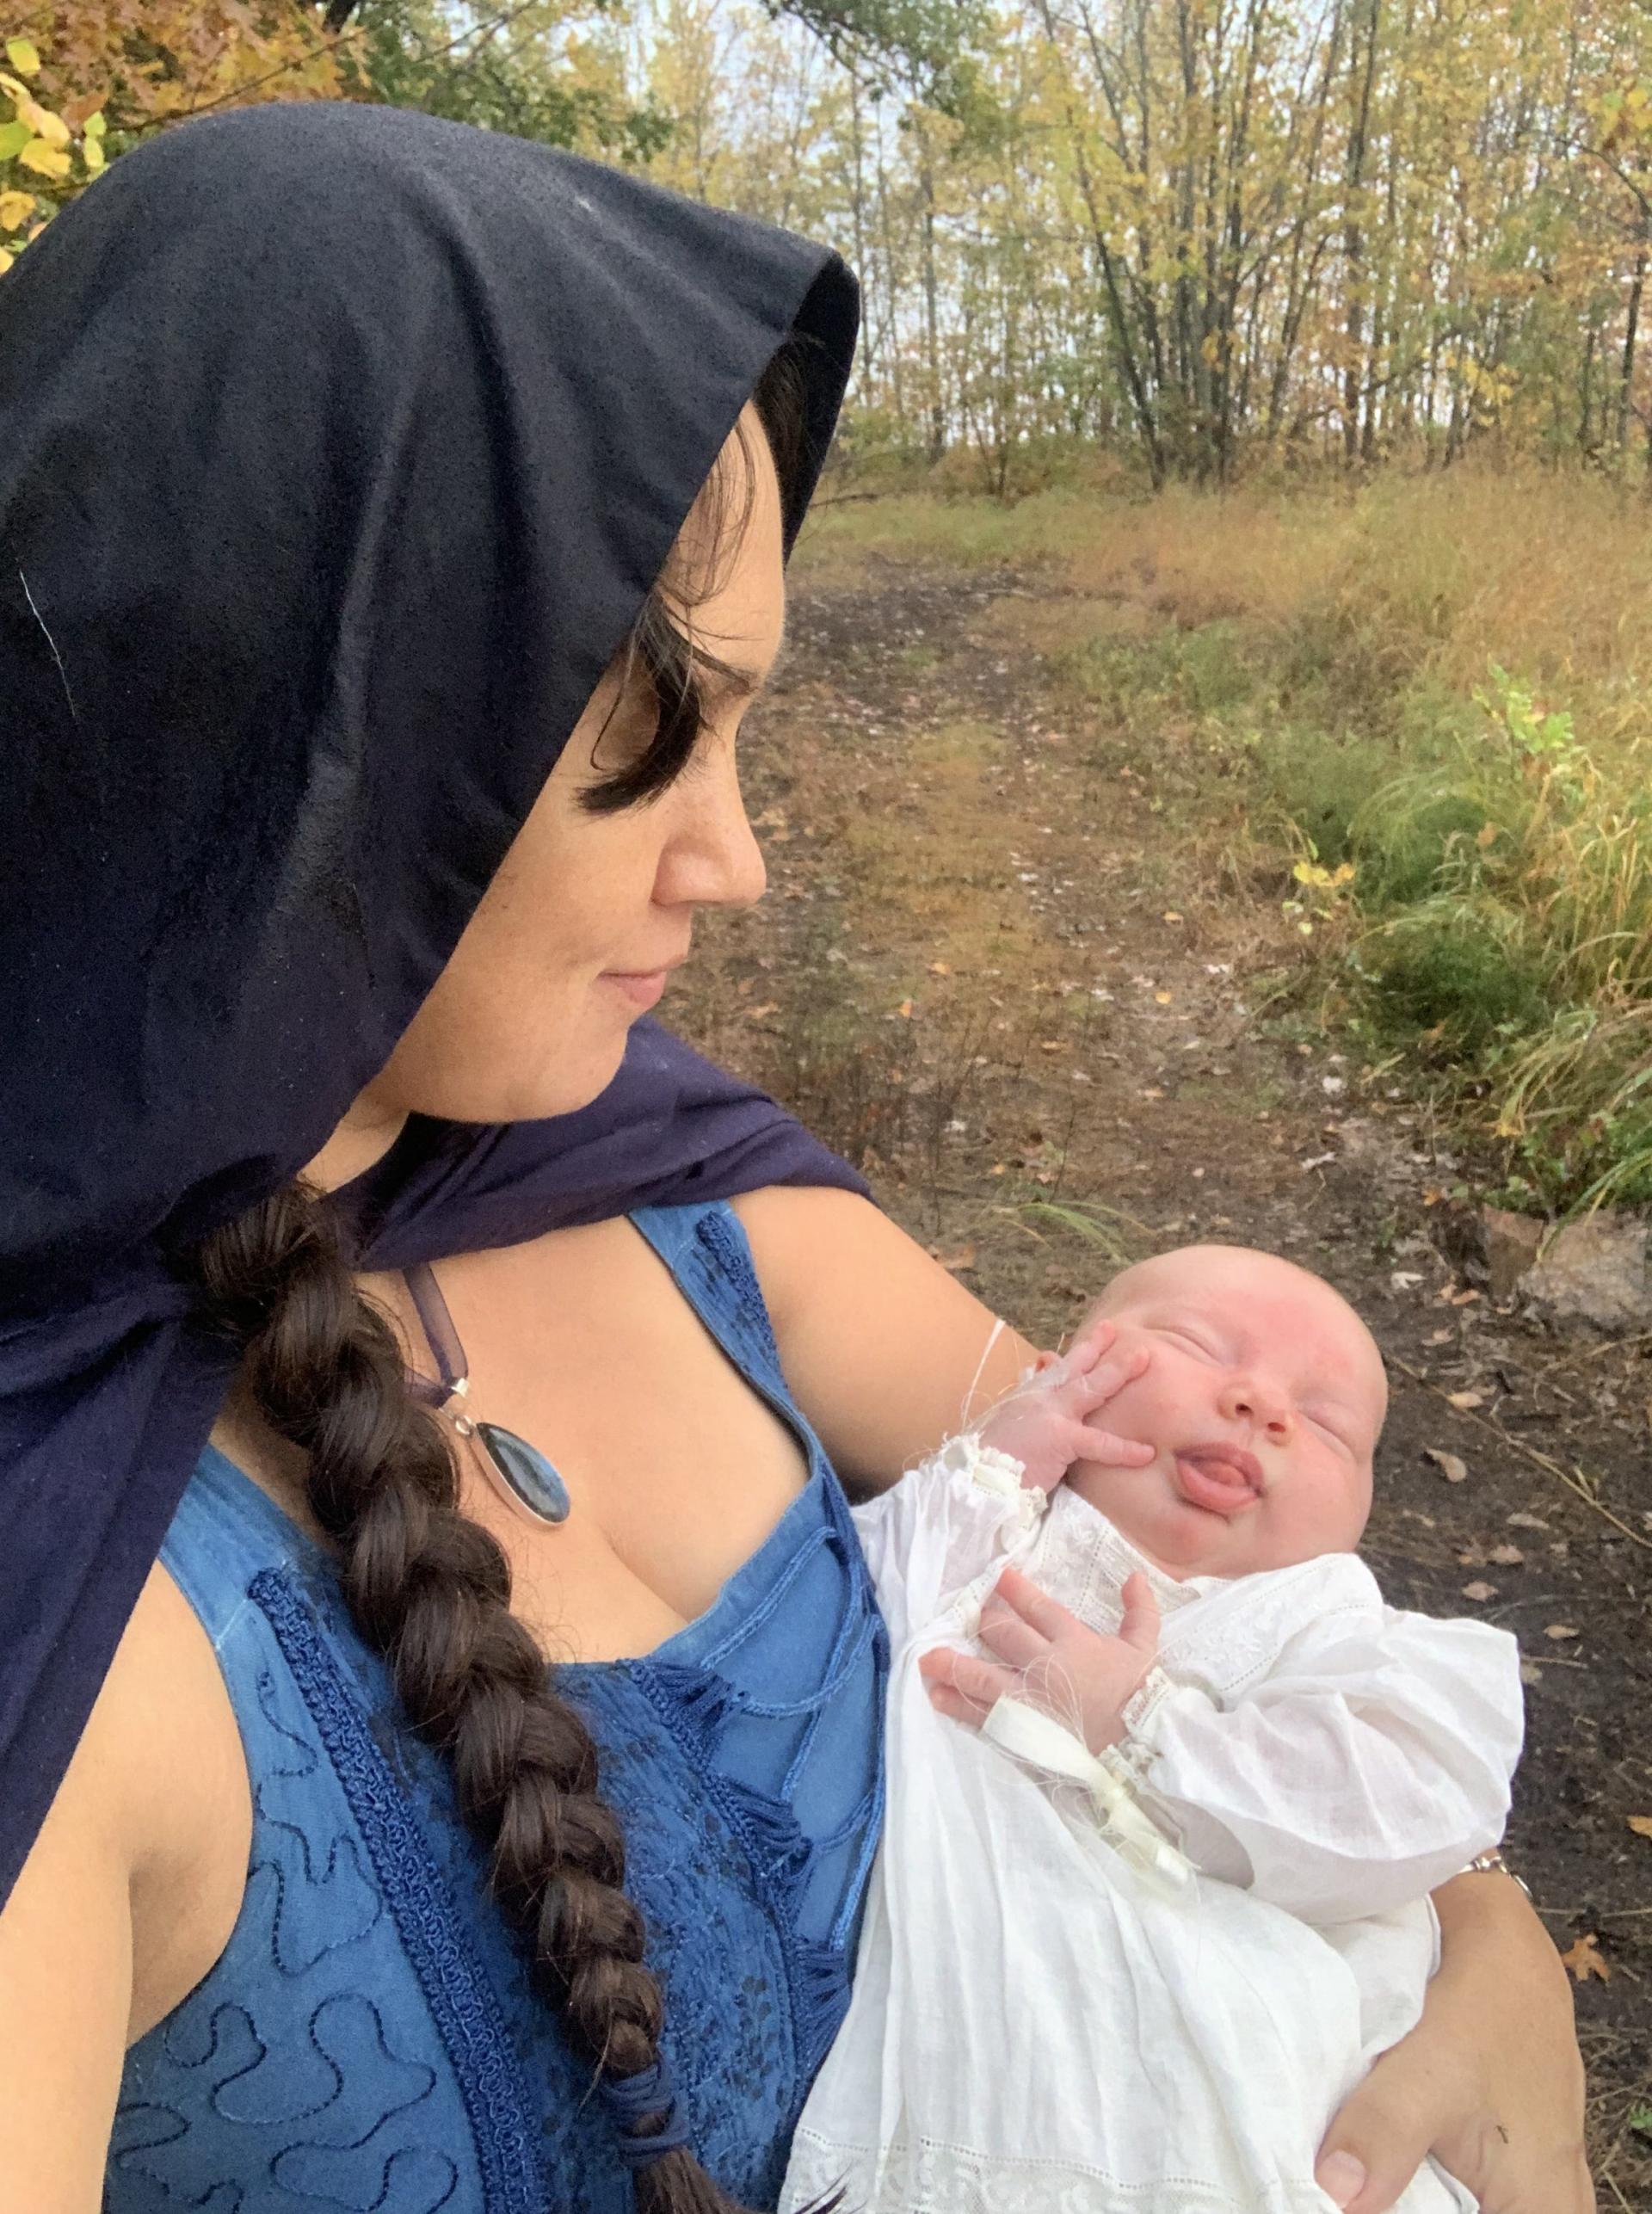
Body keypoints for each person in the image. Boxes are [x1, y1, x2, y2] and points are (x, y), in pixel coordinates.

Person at [0, 100, 1590, 2214]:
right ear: (317, 735)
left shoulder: (687, 1198)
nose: (736, 860)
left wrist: (1487, 1948)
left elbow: (1219, 1592)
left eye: (752, 733)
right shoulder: (64, 1639)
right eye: (653, 751)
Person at [781, 1248, 1526, 2213]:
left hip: (1253, 2128)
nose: (1263, 1403)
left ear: (1358, 1518)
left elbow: (1413, 1801)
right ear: (1058, 1370)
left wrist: (1142, 1726)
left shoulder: (1329, 1622)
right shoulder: (984, 1532)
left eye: (1330, 1423)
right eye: (1195, 1345)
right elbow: (831, 1614)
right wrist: (987, 1465)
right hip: (958, 2121)